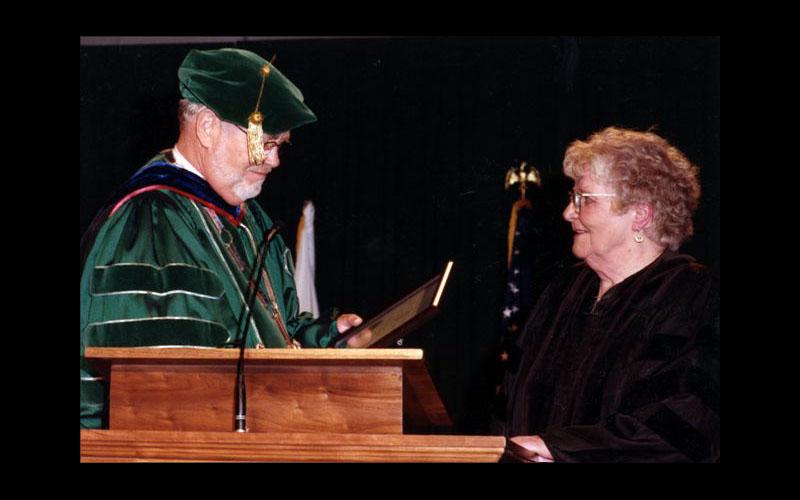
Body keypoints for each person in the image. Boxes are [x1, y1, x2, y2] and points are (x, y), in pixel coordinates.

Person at [80, 48, 369, 429]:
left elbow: (275, 335)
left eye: (280, 145)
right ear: (207, 128)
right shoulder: (150, 223)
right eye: (265, 142)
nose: (274, 160)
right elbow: (156, 393)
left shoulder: (252, 221)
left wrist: (330, 338)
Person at [496, 127, 719, 462]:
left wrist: (557, 449)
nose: (568, 213)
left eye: (584, 199)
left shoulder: (693, 297)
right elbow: (506, 410)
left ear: (640, 214)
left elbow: (683, 427)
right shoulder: (563, 294)